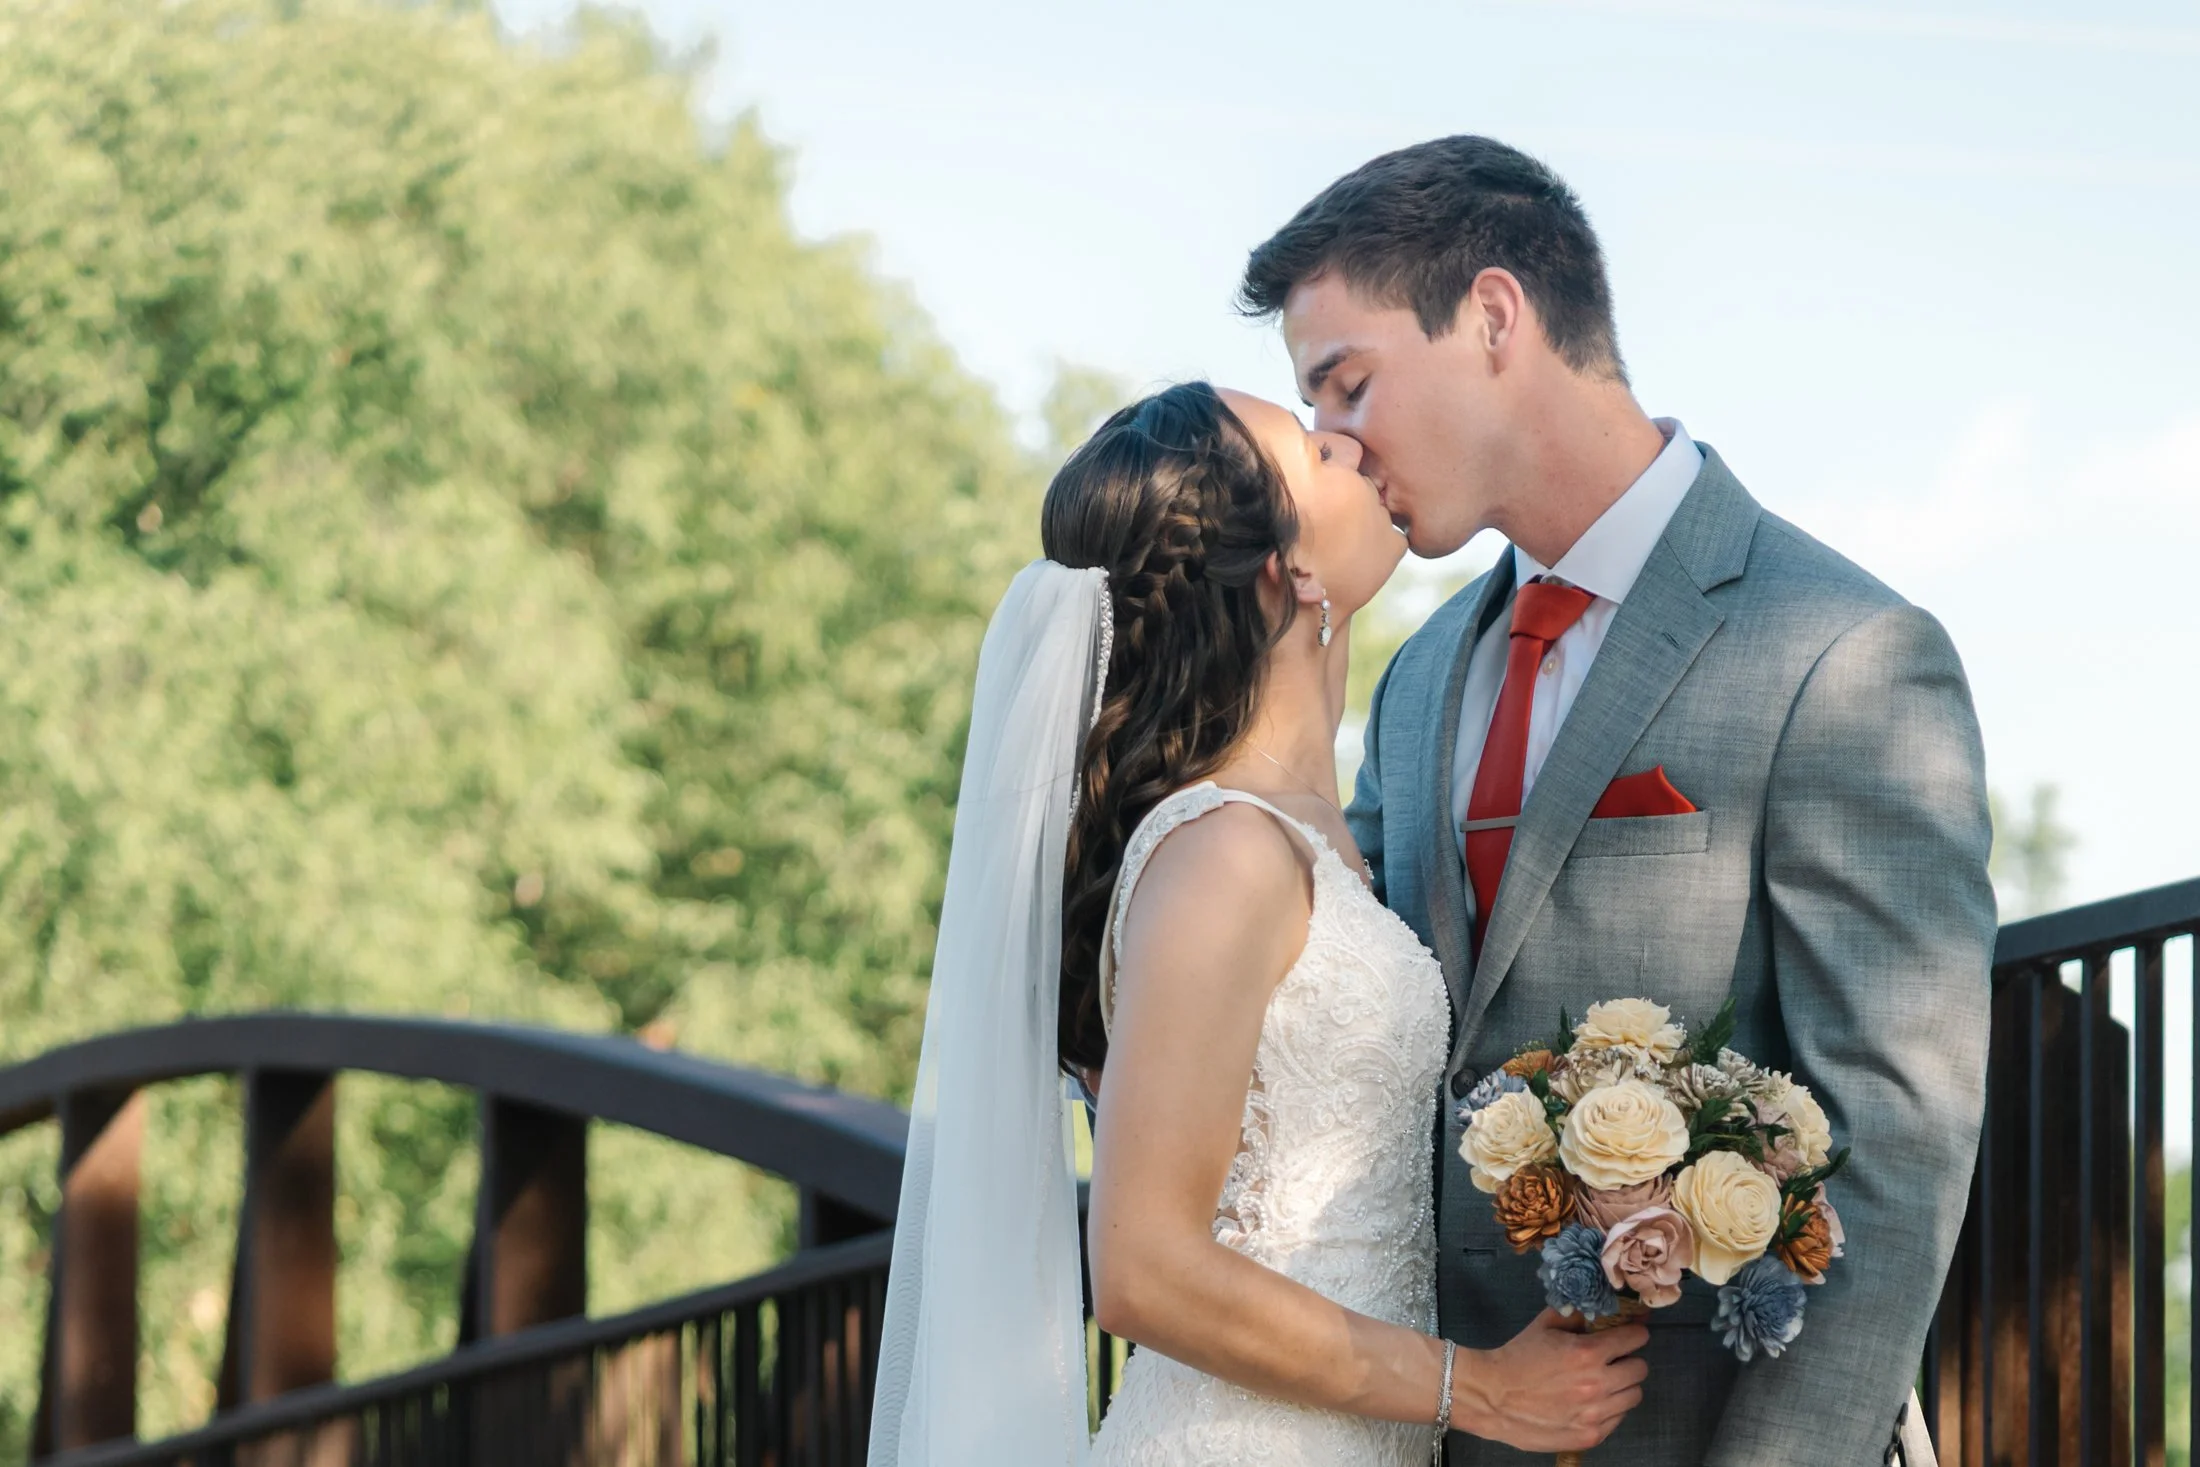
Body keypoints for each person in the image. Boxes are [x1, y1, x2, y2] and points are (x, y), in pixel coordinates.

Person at [1239, 135, 1993, 1465]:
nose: (1333, 451)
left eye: (1347, 387)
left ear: (1490, 317)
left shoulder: (1842, 651)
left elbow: (1894, 1145)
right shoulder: (1417, 680)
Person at [867, 381, 1649, 1467]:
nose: (1348, 440)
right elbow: (1141, 1266)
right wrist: (1482, 1392)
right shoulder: (1223, 854)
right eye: (1311, 450)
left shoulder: (1318, 833)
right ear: (1294, 568)